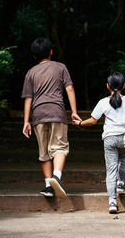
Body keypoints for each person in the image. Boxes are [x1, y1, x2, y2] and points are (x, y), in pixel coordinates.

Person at [21, 37, 81, 199]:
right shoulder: (61, 67)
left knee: (44, 152)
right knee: (60, 147)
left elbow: (28, 98)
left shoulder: (31, 73)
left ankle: (49, 186)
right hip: (57, 112)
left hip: (38, 114)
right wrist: (74, 112)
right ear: (51, 52)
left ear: (34, 56)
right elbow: (69, 89)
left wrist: (26, 121)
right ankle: (56, 177)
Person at [72, 72, 125, 214]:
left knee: (111, 170)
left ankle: (112, 202)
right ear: (124, 86)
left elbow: (93, 120)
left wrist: (80, 123)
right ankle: (121, 183)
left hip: (109, 138)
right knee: (124, 157)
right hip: (124, 137)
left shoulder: (103, 102)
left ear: (108, 86)